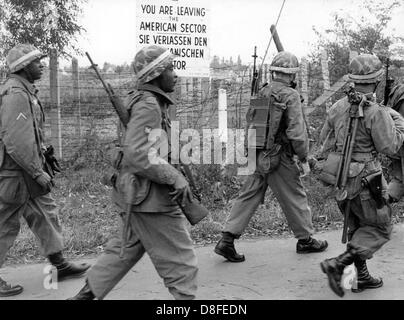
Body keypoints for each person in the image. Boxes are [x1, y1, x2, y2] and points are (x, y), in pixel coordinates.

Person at [69, 45, 198, 300]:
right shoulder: (149, 104)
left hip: (135, 193)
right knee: (182, 264)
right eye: (170, 68)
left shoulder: (140, 99)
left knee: (122, 251)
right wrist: (176, 177)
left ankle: (82, 298)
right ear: (156, 74)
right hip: (151, 199)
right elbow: (139, 154)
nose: (176, 74)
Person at [214, 51, 328, 263]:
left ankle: (226, 240)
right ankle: (305, 240)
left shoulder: (264, 91)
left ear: (275, 72)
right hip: (280, 156)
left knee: (248, 194)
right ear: (292, 74)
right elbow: (296, 132)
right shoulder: (290, 95)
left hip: (259, 154)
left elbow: (252, 124)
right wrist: (303, 156)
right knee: (294, 195)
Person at [0, 44, 90, 297]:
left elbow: (28, 134)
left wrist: (42, 154)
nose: (41, 64)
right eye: (36, 61)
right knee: (4, 224)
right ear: (22, 67)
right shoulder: (16, 93)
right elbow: (16, 141)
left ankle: (59, 265)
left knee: (46, 214)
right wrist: (37, 171)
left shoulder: (25, 91)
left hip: (27, 170)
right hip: (15, 173)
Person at [319, 54, 404, 297]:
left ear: (352, 80)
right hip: (368, 180)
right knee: (380, 228)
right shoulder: (376, 111)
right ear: (377, 80)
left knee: (356, 226)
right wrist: (399, 126)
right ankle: (338, 264)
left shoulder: (337, 106)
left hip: (341, 179)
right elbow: (390, 147)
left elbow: (324, 143)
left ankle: (356, 279)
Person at [386, 82, 404, 202]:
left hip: (397, 142)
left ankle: (382, 204)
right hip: (400, 139)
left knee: (399, 178)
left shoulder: (398, 89)